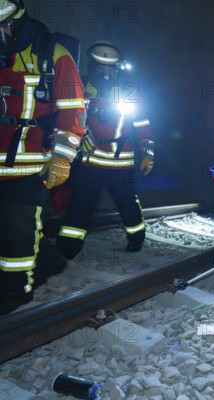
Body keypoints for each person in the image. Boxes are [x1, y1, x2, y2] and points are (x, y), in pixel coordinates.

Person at [0, 0, 86, 315]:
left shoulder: (51, 54)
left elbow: (73, 109)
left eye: (5, 25)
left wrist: (62, 158)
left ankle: (15, 294)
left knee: (18, 233)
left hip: (27, 165)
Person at [56, 41, 154, 260]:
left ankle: (136, 239)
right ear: (93, 66)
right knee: (80, 204)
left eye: (110, 67)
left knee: (127, 202)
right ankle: (68, 247)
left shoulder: (129, 91)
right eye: (101, 66)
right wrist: (82, 133)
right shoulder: (79, 86)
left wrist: (148, 152)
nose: (106, 72)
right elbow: (69, 115)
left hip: (121, 161)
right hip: (90, 160)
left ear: (117, 68)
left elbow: (141, 123)